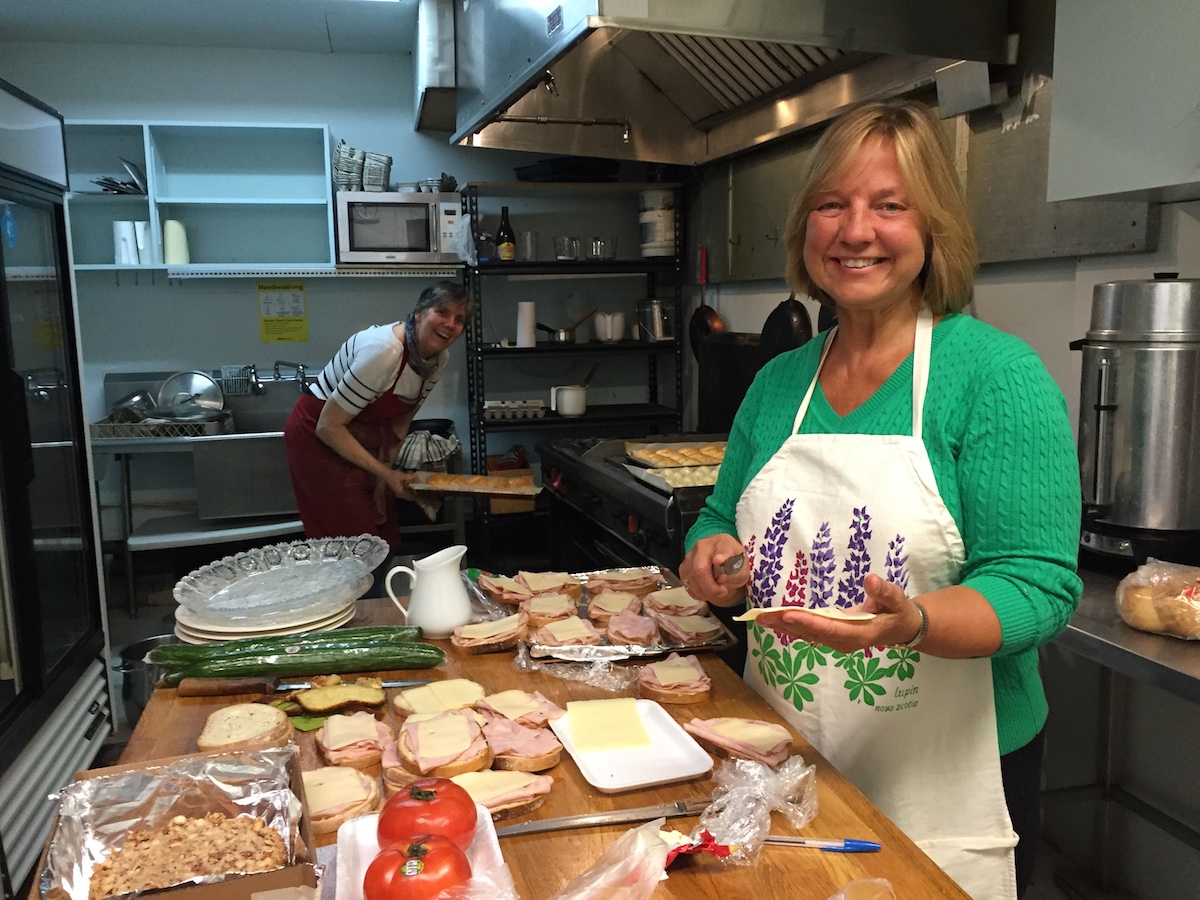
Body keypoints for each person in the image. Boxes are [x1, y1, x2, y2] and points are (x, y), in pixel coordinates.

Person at [679, 99, 1082, 900]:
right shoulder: (777, 382)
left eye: (889, 206)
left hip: (950, 767)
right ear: (806, 228)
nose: (855, 230)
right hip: (785, 746)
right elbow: (721, 515)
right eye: (832, 204)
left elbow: (1038, 584)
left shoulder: (995, 376)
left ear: (934, 229)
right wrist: (711, 559)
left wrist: (917, 623)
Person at [283, 280, 469, 549]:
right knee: (355, 547)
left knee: (384, 539)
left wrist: (384, 478)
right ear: (419, 314)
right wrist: (384, 473)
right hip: (317, 439)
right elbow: (328, 426)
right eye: (442, 312)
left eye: (459, 319)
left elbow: (401, 421)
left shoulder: (439, 360)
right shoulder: (384, 351)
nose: (451, 324)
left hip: (362, 439)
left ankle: (380, 591)